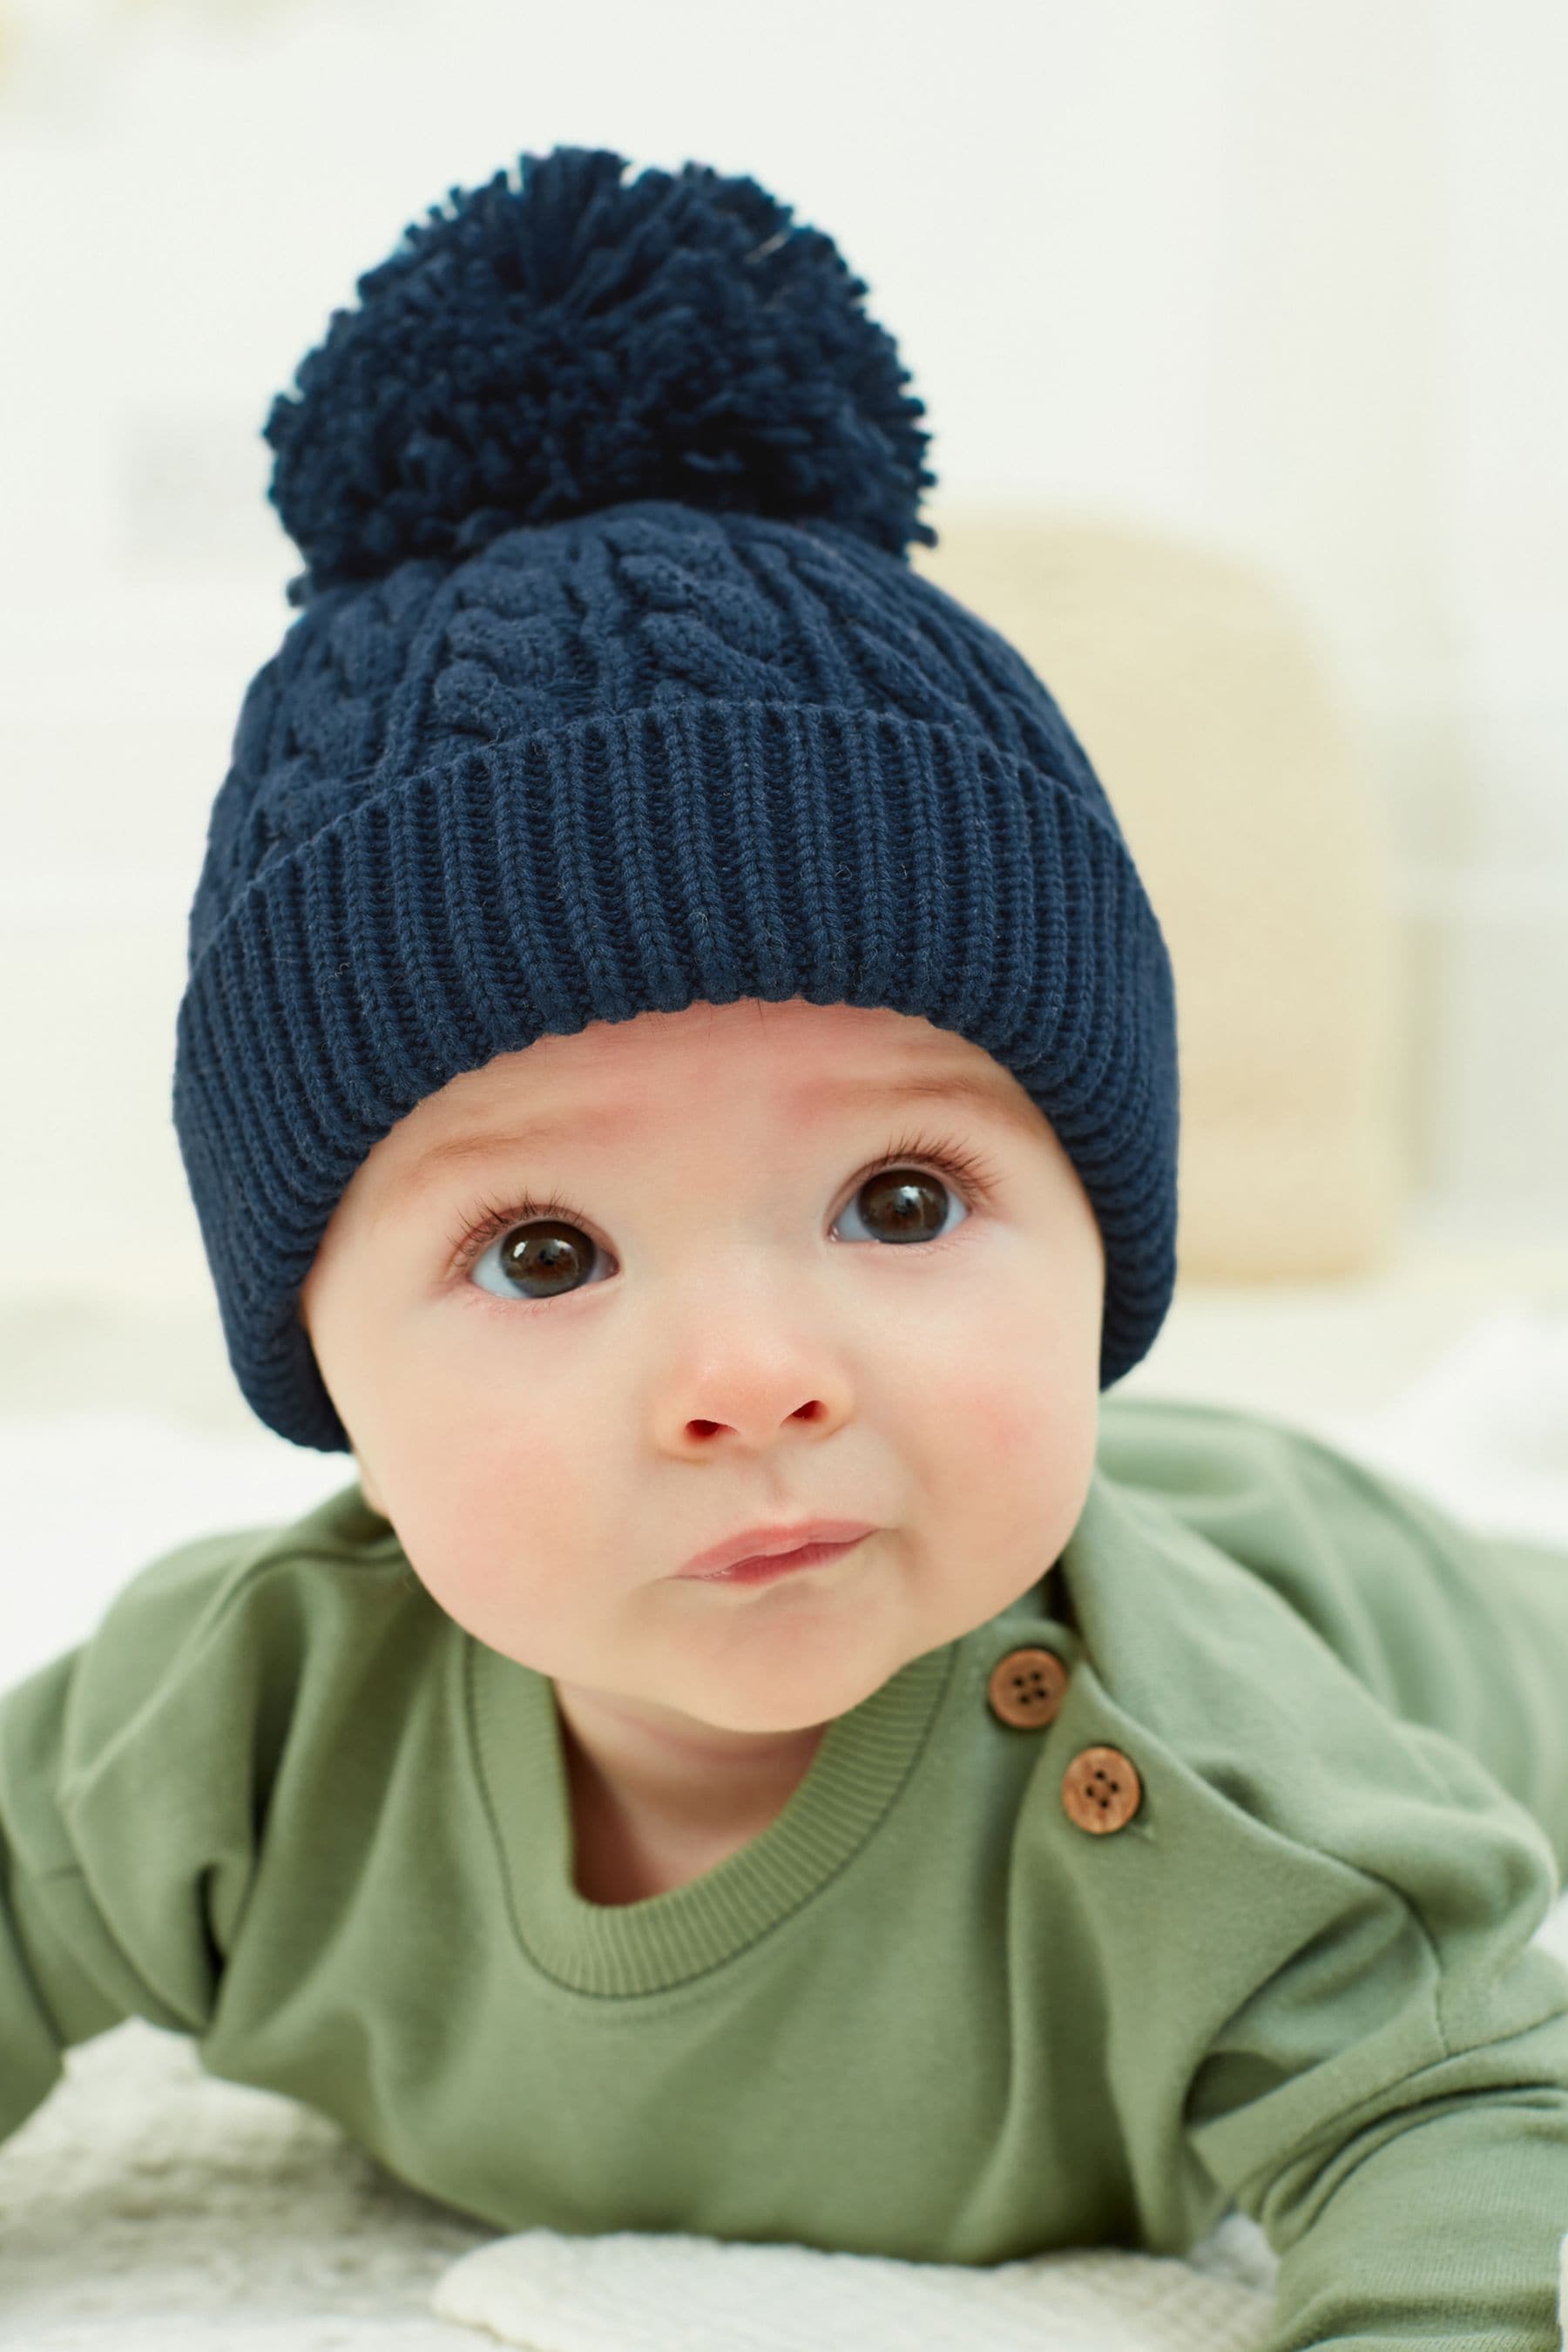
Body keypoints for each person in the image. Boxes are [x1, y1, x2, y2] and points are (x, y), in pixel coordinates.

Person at [4, 143, 1568, 2349]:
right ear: (310, 1359)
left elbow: (1484, 2141)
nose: (754, 1369)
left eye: (900, 1203)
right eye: (544, 1251)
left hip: (1360, 1589)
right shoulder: (241, 1737)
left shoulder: (1220, 1788)